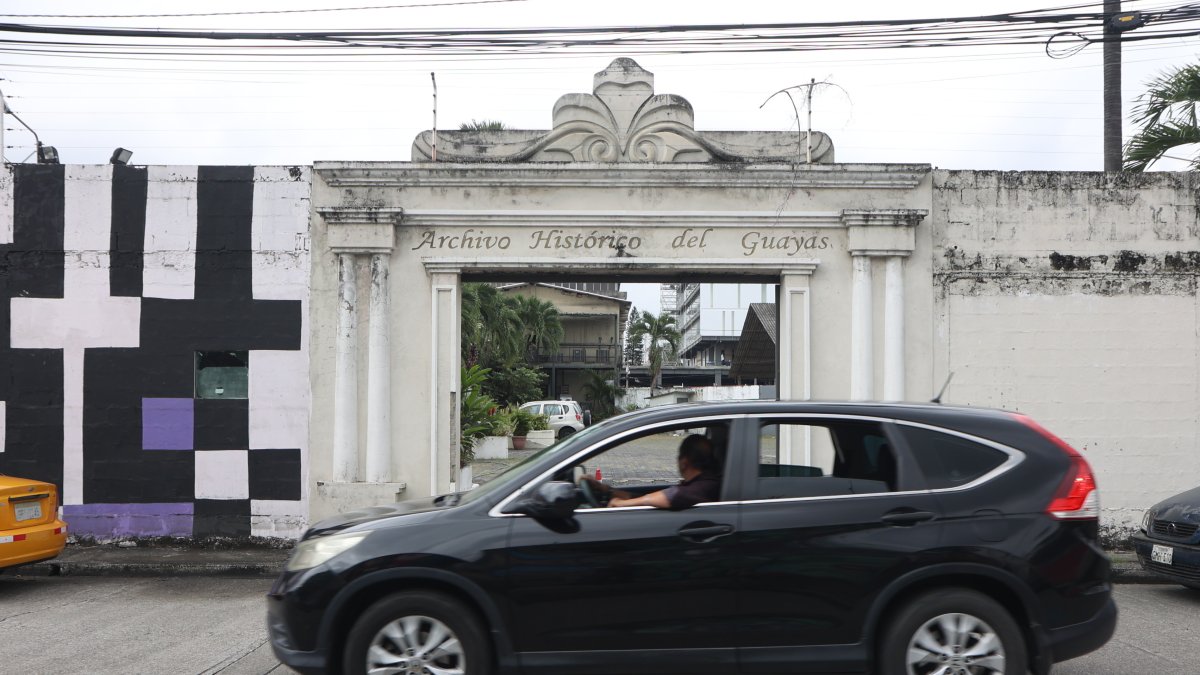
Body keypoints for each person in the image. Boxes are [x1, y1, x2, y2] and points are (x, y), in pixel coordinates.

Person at [580, 434, 721, 510]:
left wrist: (620, 504)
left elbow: (673, 495)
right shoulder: (697, 482)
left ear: (684, 462)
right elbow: (646, 496)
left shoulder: (706, 485)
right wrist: (606, 490)